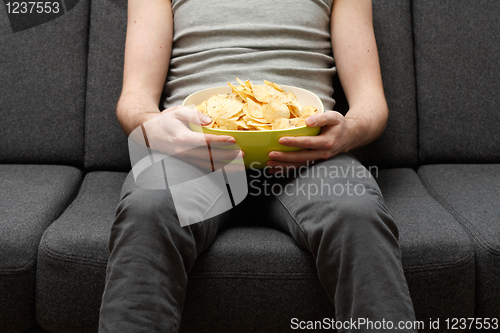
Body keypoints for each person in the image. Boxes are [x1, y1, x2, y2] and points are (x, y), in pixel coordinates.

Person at [98, 0, 417, 332]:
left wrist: (346, 133)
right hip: (195, 155)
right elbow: (134, 98)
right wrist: (153, 126)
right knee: (147, 209)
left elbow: (371, 102)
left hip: (306, 156)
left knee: (357, 212)